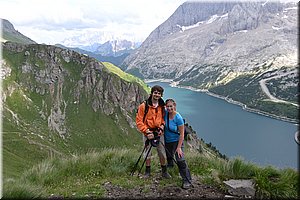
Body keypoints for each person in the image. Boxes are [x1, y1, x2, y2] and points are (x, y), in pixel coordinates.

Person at [136, 85, 171, 178]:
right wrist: (147, 132)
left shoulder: (162, 106)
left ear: (161, 95)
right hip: (148, 132)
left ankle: (164, 171)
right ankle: (147, 172)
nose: (157, 95)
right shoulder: (144, 106)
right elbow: (139, 121)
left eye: (159, 93)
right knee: (148, 152)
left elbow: (163, 119)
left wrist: (162, 127)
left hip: (159, 132)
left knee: (162, 152)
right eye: (155, 92)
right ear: (151, 93)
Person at [164, 98, 192, 189]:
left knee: (180, 160)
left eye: (171, 106)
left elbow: (182, 134)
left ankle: (187, 180)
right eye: (167, 106)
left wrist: (179, 147)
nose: (169, 108)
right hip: (167, 141)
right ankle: (170, 167)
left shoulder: (178, 117)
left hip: (177, 141)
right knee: (169, 156)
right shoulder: (165, 114)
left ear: (174, 106)